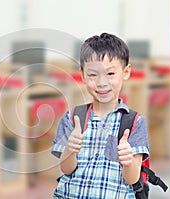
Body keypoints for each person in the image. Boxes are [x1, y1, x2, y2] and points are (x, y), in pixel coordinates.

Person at [51, 33, 149, 198]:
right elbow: (66, 169)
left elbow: (132, 179)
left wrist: (128, 160)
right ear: (82, 75)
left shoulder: (134, 122)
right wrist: (69, 149)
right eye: (93, 75)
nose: (101, 83)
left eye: (110, 74)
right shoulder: (73, 117)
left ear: (126, 72)